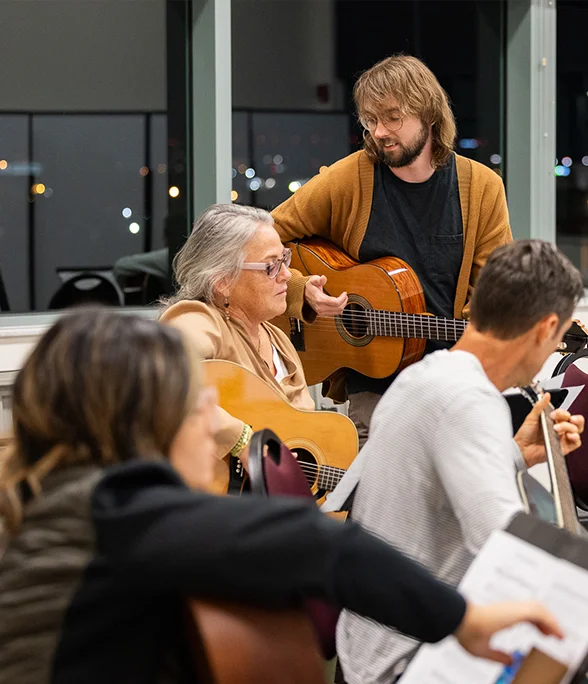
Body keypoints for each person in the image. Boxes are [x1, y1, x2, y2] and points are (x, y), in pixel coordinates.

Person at [0, 309, 563, 684]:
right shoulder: (116, 511)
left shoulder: (48, 503)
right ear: (138, 423)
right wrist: (460, 618)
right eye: (193, 400)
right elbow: (318, 545)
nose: (209, 418)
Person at [336, 240, 585, 684]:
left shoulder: (426, 375)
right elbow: (509, 551)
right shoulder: (468, 400)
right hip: (405, 658)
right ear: (547, 327)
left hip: (370, 638)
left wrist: (514, 452)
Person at [271, 54, 512, 445]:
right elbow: (263, 234)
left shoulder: (481, 188)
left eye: (392, 117)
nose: (379, 131)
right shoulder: (349, 178)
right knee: (374, 500)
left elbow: (496, 289)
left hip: (455, 383)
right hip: (372, 384)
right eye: (370, 120)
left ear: (429, 114)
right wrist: (300, 287)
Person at [160, 203, 317, 469]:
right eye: (271, 267)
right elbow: (163, 379)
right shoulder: (199, 321)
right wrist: (243, 441)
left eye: (284, 260)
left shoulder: (278, 340)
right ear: (223, 280)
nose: (288, 276)